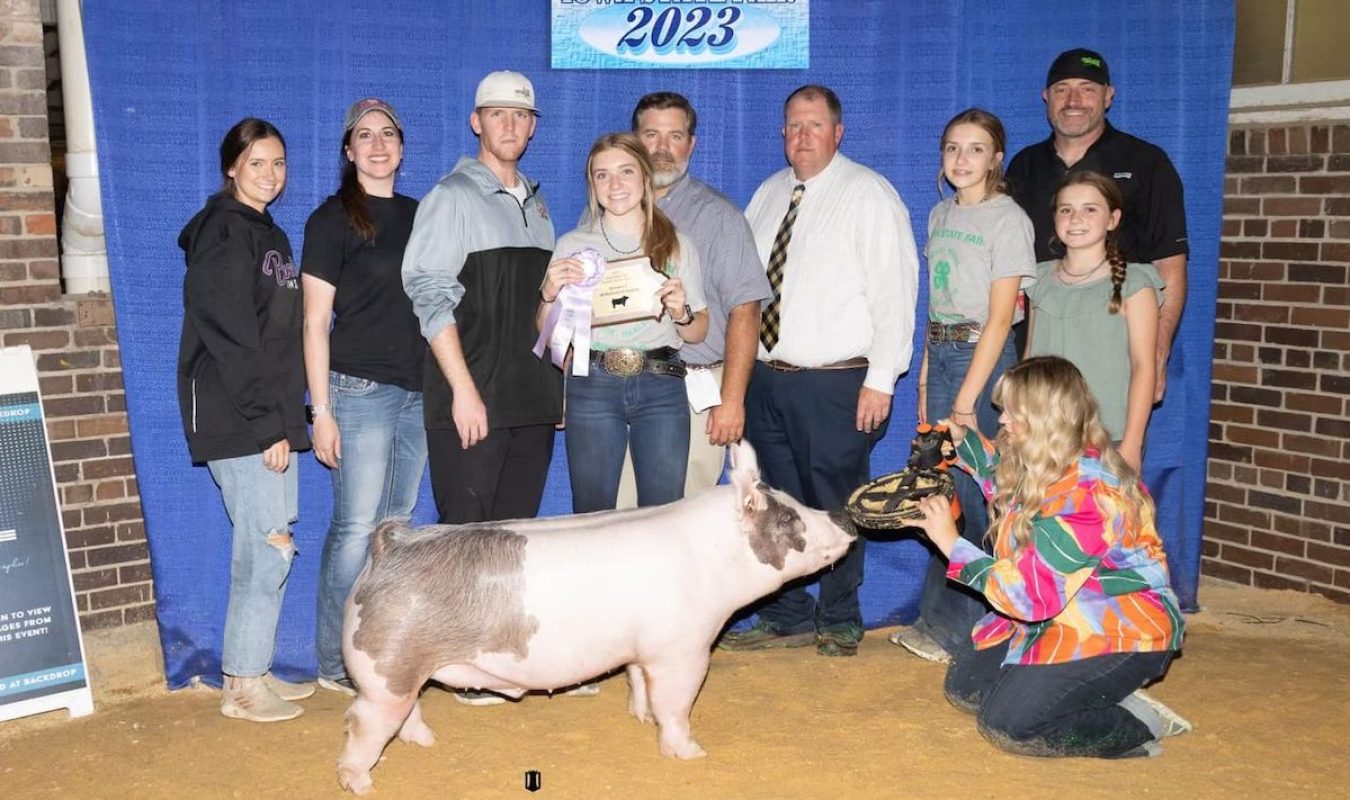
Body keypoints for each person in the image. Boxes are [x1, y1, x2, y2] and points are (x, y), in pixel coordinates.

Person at [718, 85, 919, 658]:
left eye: (813, 125)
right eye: (791, 126)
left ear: (838, 131)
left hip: (836, 380)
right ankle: (787, 611)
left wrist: (882, 377)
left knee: (838, 500)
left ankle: (839, 614)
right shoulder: (767, 193)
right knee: (775, 497)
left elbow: (895, 292)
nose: (801, 136)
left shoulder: (869, 195)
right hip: (766, 375)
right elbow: (744, 289)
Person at [910, 355, 1189, 758]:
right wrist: (960, 442)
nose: (1001, 419)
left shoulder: (1089, 495)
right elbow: (999, 478)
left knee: (1008, 724)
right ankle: (1084, 694)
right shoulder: (1049, 458)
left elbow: (1030, 599)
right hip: (1061, 615)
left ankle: (1134, 726)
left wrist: (951, 544)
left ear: (1043, 419)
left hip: (1118, 631)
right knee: (966, 688)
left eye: (1011, 412)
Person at [402, 71, 563, 706]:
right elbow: (428, 295)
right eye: (498, 115)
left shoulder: (539, 206)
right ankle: (458, 666)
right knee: (465, 536)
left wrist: (557, 393)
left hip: (530, 400)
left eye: (522, 117)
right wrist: (465, 392)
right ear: (477, 122)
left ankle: (498, 661)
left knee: (512, 537)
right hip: (472, 400)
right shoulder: (451, 197)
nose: (511, 126)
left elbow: (551, 313)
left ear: (533, 126)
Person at [177, 118, 314, 722]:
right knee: (263, 549)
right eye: (257, 163)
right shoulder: (221, 234)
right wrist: (266, 423)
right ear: (231, 166)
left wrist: (287, 418)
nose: (270, 174)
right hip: (239, 416)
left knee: (276, 544)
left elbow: (277, 341)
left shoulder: (270, 235)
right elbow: (231, 338)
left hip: (268, 415)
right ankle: (240, 687)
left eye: (279, 163)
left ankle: (251, 667)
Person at [891, 108, 1037, 664]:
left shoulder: (1008, 220)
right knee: (943, 492)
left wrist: (966, 400)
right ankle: (942, 620)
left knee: (982, 497)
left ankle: (966, 630)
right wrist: (928, 376)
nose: (961, 159)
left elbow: (1002, 318)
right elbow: (937, 302)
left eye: (975, 149)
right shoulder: (938, 214)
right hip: (945, 351)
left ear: (996, 158)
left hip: (986, 359)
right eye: (952, 147)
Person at [302, 98, 425, 698]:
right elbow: (313, 322)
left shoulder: (421, 214)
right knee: (355, 527)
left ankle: (380, 646)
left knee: (395, 527)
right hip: (358, 391)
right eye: (364, 136)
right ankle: (333, 660)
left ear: (401, 147)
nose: (378, 145)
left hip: (416, 392)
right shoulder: (331, 220)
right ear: (348, 152)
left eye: (388, 135)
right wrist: (320, 410)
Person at [611, 91, 771, 506]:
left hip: (693, 386)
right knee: (619, 513)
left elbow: (746, 309)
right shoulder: (605, 213)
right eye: (651, 135)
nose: (662, 149)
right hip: (619, 383)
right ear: (634, 141)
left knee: (680, 515)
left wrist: (732, 399)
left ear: (691, 144)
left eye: (675, 136)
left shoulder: (719, 217)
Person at [540, 132, 709, 513]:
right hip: (592, 382)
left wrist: (681, 312)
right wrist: (549, 293)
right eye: (602, 175)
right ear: (592, 185)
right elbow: (547, 334)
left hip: (662, 381)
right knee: (592, 510)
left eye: (625, 171)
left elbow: (699, 330)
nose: (615, 184)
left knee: (665, 513)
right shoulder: (573, 246)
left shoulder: (677, 244)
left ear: (645, 178)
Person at [1005, 48, 1186, 402]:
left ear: (1108, 95)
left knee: (1109, 451)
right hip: (1038, 349)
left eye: (1087, 88)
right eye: (1062, 89)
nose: (1073, 100)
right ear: (1046, 97)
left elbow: (1170, 266)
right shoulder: (1023, 166)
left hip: (1115, 349)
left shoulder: (1148, 163)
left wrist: (1157, 350)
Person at [1025, 171, 1161, 470]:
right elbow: (1029, 360)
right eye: (1066, 210)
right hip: (1042, 433)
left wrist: (1132, 443)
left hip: (1106, 436)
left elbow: (1143, 367)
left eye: (1090, 209)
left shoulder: (1135, 282)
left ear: (1112, 219)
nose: (1076, 219)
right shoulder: (1039, 278)